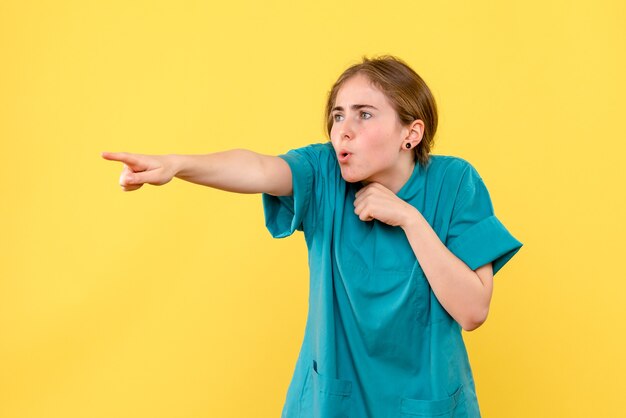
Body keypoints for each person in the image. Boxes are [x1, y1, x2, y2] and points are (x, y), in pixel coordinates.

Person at [102, 55, 523, 418]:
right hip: (332, 400)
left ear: (410, 134)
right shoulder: (324, 173)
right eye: (338, 115)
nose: (343, 129)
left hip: (425, 401)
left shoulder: (455, 182)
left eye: (364, 114)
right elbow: (259, 169)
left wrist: (410, 219)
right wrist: (178, 164)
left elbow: (472, 310)